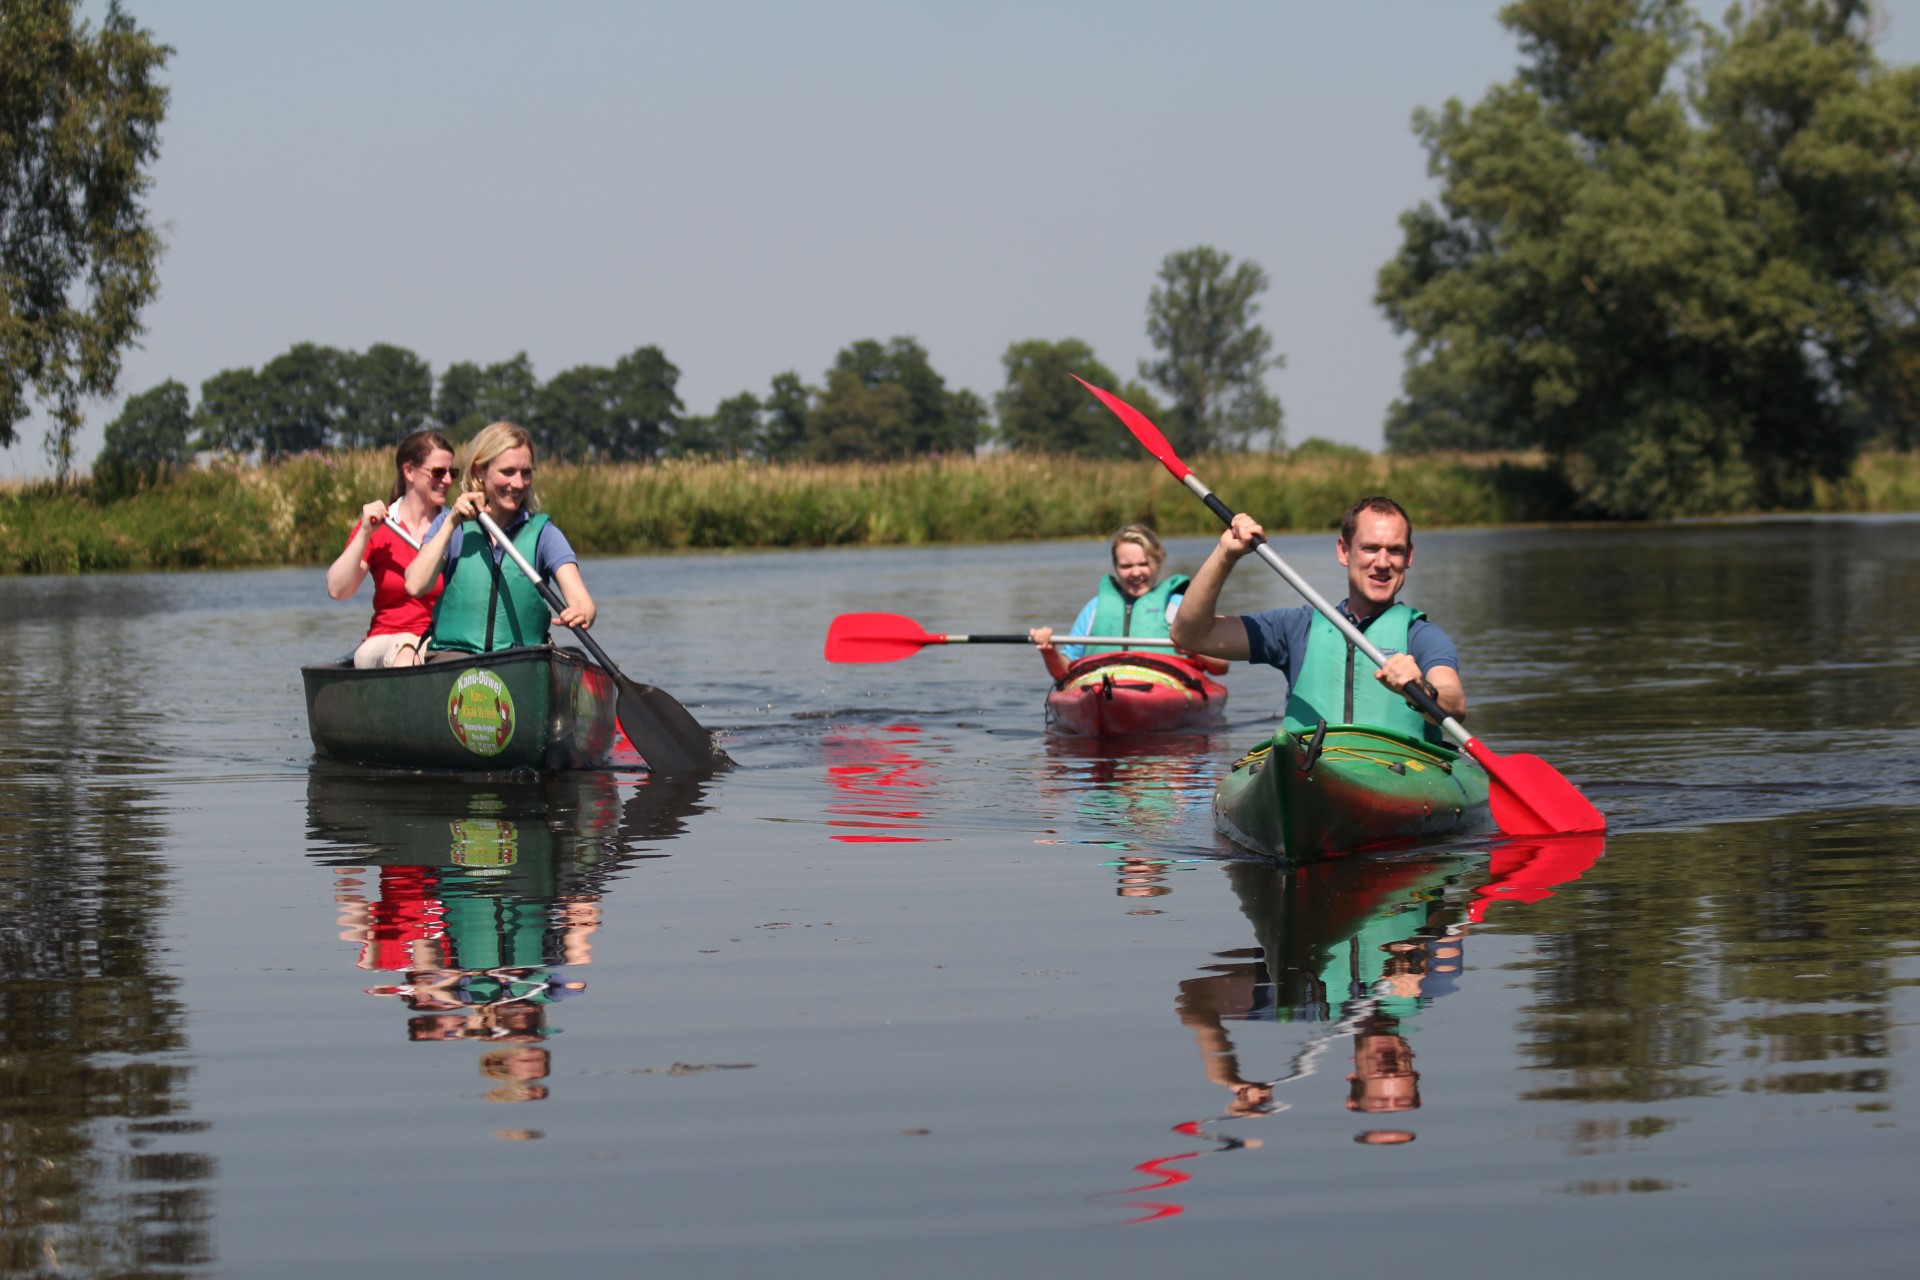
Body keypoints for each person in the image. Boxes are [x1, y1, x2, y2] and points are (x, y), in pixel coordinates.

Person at [1169, 495, 1465, 741]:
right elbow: (1190, 635)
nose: (1383, 562)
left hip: (1398, 774)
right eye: (1371, 548)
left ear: (1409, 557)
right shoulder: (1296, 628)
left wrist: (1421, 690)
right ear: (1343, 551)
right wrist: (1225, 554)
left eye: (1395, 551)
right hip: (1309, 772)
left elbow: (1455, 704)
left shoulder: (1422, 635)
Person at [404, 421, 596, 657]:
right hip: (455, 660)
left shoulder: (545, 534)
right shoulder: (450, 525)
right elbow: (415, 585)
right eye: (508, 472)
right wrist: (451, 523)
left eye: (526, 473)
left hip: (519, 662)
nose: (518, 483)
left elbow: (583, 602)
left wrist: (581, 612)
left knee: (577, 655)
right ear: (479, 471)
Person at [1027, 523, 1227, 681]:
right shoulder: (1095, 609)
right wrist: (1048, 651)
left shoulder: (1180, 607)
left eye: (1143, 564)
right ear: (1115, 567)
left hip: (1167, 687)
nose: (1135, 572)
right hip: (1103, 688)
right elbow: (1063, 672)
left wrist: (1193, 648)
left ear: (1158, 562)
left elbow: (1221, 666)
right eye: (1126, 566)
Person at [325, 428, 455, 668]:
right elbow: (337, 589)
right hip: (384, 640)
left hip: (437, 640)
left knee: (431, 653)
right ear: (409, 472)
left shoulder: (455, 526)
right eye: (438, 472)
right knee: (406, 649)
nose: (447, 480)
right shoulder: (381, 526)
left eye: (451, 472)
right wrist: (365, 531)